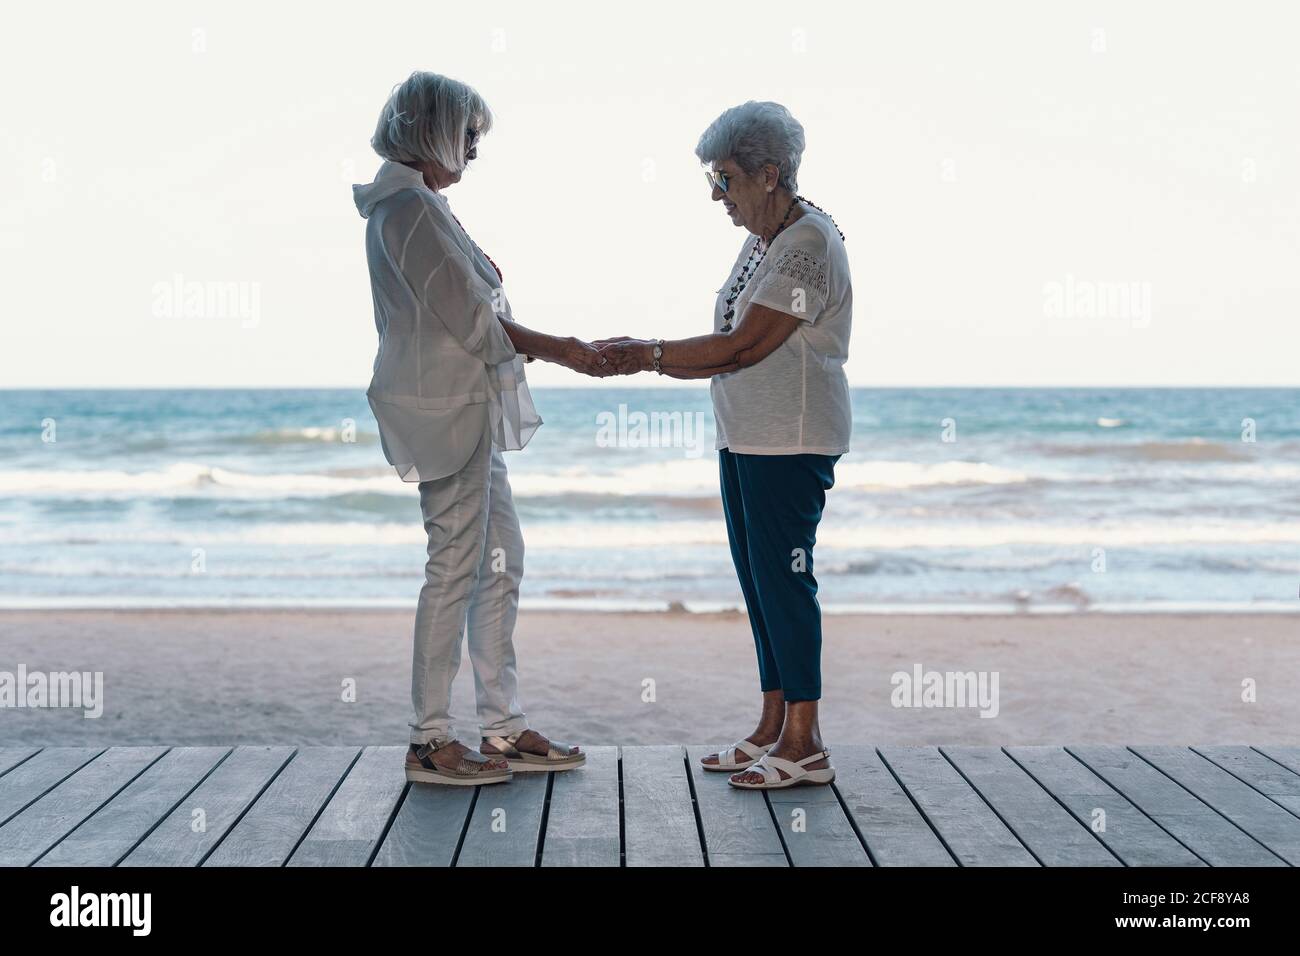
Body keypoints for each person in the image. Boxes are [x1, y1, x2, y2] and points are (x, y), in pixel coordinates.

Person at [353, 71, 614, 784]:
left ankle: (500, 728)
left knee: (499, 562)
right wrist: (564, 347)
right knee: (456, 570)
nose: (474, 150)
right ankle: (428, 739)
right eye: (469, 136)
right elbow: (473, 322)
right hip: (445, 412)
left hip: (464, 410)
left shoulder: (417, 204)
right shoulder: (406, 210)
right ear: (433, 131)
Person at [597, 101, 852, 790]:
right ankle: (773, 724)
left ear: (769, 174)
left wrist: (643, 355)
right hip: (746, 437)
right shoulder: (764, 239)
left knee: (786, 584)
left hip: (790, 441)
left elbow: (742, 346)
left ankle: (806, 744)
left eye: (726, 179)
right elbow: (734, 340)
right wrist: (650, 355)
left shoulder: (807, 244)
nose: (718, 195)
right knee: (759, 583)